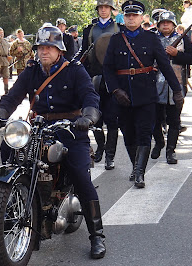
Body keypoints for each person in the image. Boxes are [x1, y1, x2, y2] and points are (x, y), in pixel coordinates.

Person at [0, 25, 106, 259]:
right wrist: (0, 113)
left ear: (59, 50)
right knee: (9, 149)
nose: (44, 52)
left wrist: (88, 117)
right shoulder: (32, 70)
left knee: (81, 175)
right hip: (38, 126)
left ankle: (97, 235)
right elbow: (14, 95)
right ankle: (12, 206)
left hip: (70, 129)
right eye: (41, 47)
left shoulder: (74, 70)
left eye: (49, 47)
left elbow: (90, 95)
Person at [103, 1, 184, 188]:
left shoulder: (151, 38)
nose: (131, 18)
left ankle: (140, 173)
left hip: (146, 94)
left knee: (145, 134)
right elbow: (108, 68)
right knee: (129, 135)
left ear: (141, 18)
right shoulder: (116, 39)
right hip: (122, 95)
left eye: (135, 15)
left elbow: (164, 65)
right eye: (128, 15)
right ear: (123, 17)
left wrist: (177, 90)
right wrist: (115, 90)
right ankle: (134, 166)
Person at [74, 0, 123, 170]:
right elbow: (83, 51)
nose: (103, 10)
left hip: (114, 80)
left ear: (111, 9)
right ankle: (100, 146)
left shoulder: (119, 29)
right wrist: (73, 63)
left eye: (106, 7)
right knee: (95, 119)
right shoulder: (89, 29)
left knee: (112, 120)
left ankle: (110, 155)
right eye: (101, 8)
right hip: (93, 79)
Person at [151, 11, 192, 164]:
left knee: (174, 121)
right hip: (155, 85)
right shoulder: (152, 39)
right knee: (154, 119)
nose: (165, 25)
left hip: (176, 86)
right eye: (162, 22)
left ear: (173, 24)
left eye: (168, 22)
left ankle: (171, 151)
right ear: (158, 24)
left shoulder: (183, 39)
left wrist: (177, 53)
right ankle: (159, 142)